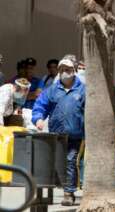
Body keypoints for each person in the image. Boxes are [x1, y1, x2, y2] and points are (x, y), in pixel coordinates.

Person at [32, 58, 85, 206]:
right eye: (62, 70)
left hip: (75, 135)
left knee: (70, 161)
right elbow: (40, 106)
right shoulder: (52, 90)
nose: (64, 73)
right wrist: (38, 119)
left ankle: (69, 193)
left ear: (74, 71)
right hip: (56, 135)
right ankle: (50, 192)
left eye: (67, 70)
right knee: (56, 163)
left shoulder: (83, 90)